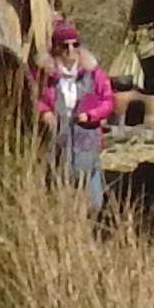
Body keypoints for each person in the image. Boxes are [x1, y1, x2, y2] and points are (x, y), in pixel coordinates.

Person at [47, 18, 118, 213]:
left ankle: (92, 215)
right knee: (62, 177)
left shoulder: (93, 74)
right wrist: (45, 113)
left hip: (86, 134)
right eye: (65, 45)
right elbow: (38, 100)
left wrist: (91, 115)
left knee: (90, 179)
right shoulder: (48, 75)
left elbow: (108, 101)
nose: (71, 50)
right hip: (59, 135)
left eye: (75, 44)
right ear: (56, 48)